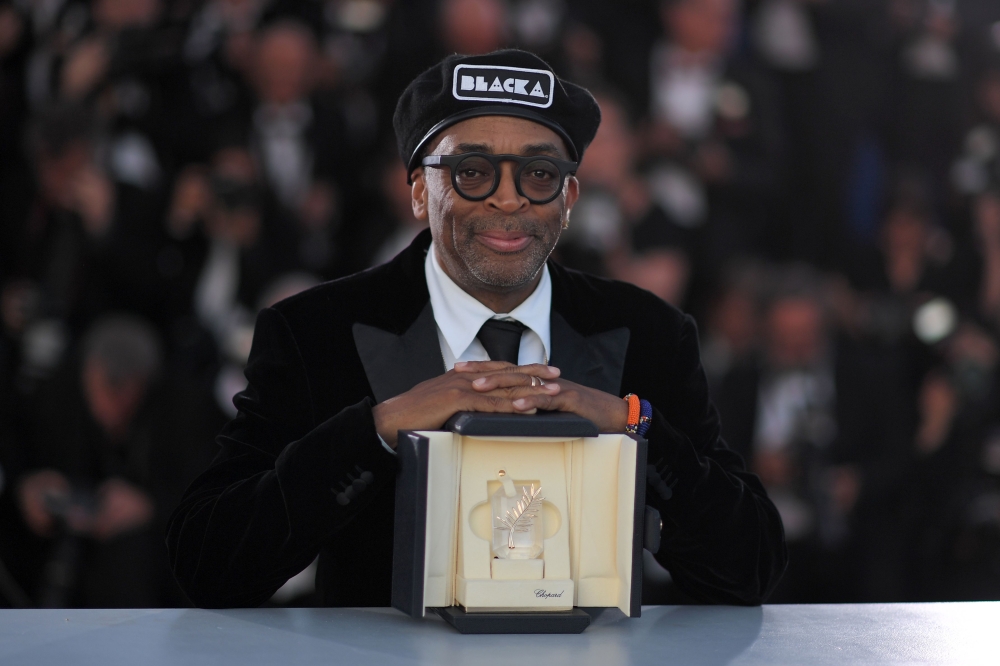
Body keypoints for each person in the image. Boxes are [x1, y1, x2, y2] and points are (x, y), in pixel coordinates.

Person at [166, 49, 787, 608]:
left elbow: (750, 568)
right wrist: (379, 427)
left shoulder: (649, 331)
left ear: (569, 198)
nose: (509, 199)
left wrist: (632, 426)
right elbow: (208, 562)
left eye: (539, 175)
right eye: (473, 172)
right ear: (418, 189)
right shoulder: (314, 331)